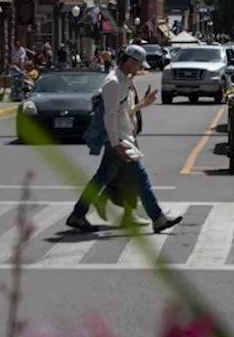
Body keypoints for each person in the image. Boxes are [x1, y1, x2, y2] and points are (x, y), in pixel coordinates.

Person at [66, 45, 181, 234]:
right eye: (138, 64)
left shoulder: (122, 81)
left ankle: (78, 214)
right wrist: (116, 144)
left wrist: (143, 104)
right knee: (140, 177)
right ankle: (158, 218)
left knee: (102, 178)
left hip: (123, 137)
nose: (139, 69)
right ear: (129, 61)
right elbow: (109, 116)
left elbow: (124, 112)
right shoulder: (113, 82)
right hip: (119, 140)